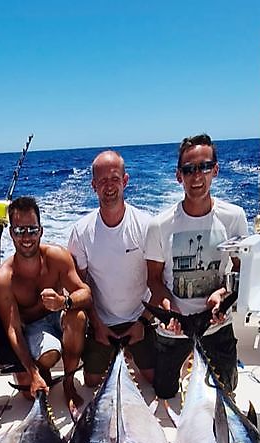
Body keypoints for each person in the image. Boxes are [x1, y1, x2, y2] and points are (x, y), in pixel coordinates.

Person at [146, 133, 249, 399]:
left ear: (215, 170)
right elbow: (153, 279)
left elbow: (242, 271)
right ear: (178, 176)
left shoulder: (234, 217)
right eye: (189, 169)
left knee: (226, 393)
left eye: (204, 167)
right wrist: (167, 306)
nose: (197, 176)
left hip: (217, 324)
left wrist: (222, 294)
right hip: (175, 328)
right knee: (165, 393)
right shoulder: (159, 225)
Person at [0, 196, 91, 415]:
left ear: (41, 231)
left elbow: (86, 293)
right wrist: (33, 372)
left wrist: (64, 302)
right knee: (35, 383)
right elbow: (13, 329)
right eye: (19, 231)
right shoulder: (3, 278)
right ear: (11, 233)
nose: (26, 237)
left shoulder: (57, 257)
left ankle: (68, 384)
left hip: (60, 315)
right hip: (33, 327)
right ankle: (39, 372)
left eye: (32, 230)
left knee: (78, 317)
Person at [68, 150, 155, 388]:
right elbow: (80, 288)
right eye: (102, 181)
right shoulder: (81, 231)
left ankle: (131, 353)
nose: (109, 186)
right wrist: (97, 325)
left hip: (140, 319)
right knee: (91, 382)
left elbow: (158, 281)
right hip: (102, 322)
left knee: (154, 380)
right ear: (93, 186)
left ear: (125, 181)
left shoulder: (146, 226)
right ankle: (121, 354)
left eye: (115, 179)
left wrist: (143, 323)